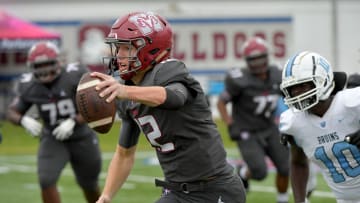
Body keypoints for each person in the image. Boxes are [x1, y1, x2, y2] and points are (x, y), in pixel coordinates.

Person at [92, 11, 246, 203]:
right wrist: (106, 195)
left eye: (126, 48)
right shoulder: (127, 93)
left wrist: (124, 91)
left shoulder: (168, 70)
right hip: (177, 191)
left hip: (214, 189)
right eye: (117, 48)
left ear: (151, 49)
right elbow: (124, 154)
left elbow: (174, 98)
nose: (119, 56)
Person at [7, 41, 102, 203]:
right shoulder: (29, 84)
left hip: (81, 136)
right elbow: (12, 111)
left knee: (89, 184)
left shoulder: (75, 75)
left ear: (58, 62)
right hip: (53, 138)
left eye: (47, 64)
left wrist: (74, 121)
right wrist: (22, 120)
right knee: (46, 180)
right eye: (39, 65)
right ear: (31, 66)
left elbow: (96, 105)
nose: (43, 69)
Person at [279, 51, 360, 203]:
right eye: (293, 88)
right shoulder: (293, 123)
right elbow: (298, 163)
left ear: (323, 80)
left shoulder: (352, 102)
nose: (297, 93)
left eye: (303, 85)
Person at [216, 37, 290, 203]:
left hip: (269, 126)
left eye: (260, 58)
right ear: (247, 61)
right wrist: (230, 124)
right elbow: (221, 102)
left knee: (286, 167)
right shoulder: (239, 79)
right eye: (252, 60)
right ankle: (243, 172)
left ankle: (282, 200)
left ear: (266, 57)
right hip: (247, 130)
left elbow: (289, 96)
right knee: (259, 172)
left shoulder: (278, 74)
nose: (257, 63)